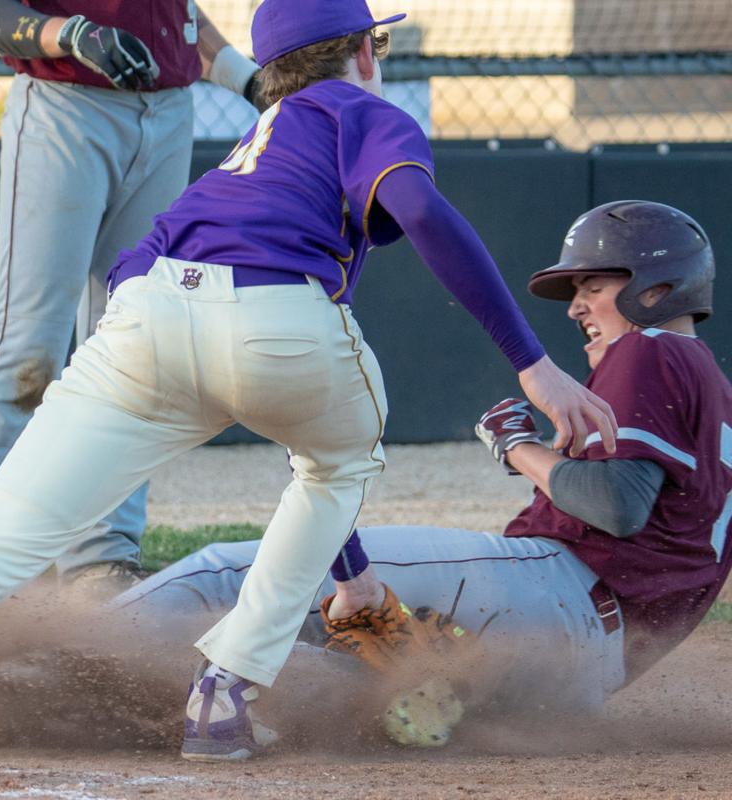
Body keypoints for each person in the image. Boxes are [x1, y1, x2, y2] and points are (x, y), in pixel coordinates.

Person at [0, 0, 618, 776]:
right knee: (338, 460)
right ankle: (225, 694)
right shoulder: (361, 109)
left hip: (144, 318)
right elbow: (422, 216)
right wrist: (532, 365)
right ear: (360, 52)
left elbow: (137, 269)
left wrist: (347, 565)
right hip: (280, 316)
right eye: (377, 42)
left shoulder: (242, 159)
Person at [115, 199, 731, 743]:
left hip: (556, 592)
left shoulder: (649, 347)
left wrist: (515, 444)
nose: (575, 307)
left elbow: (618, 504)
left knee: (229, 573)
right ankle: (109, 701)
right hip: (583, 668)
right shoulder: (714, 391)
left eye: (592, 287)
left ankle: (58, 648)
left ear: (654, 289)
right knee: (332, 662)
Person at [0, 0, 265, 595]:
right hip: (66, 107)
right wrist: (73, 35)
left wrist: (243, 76)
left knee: (132, 338)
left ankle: (101, 552)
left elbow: (177, 15)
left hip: (168, 112)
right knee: (29, 342)